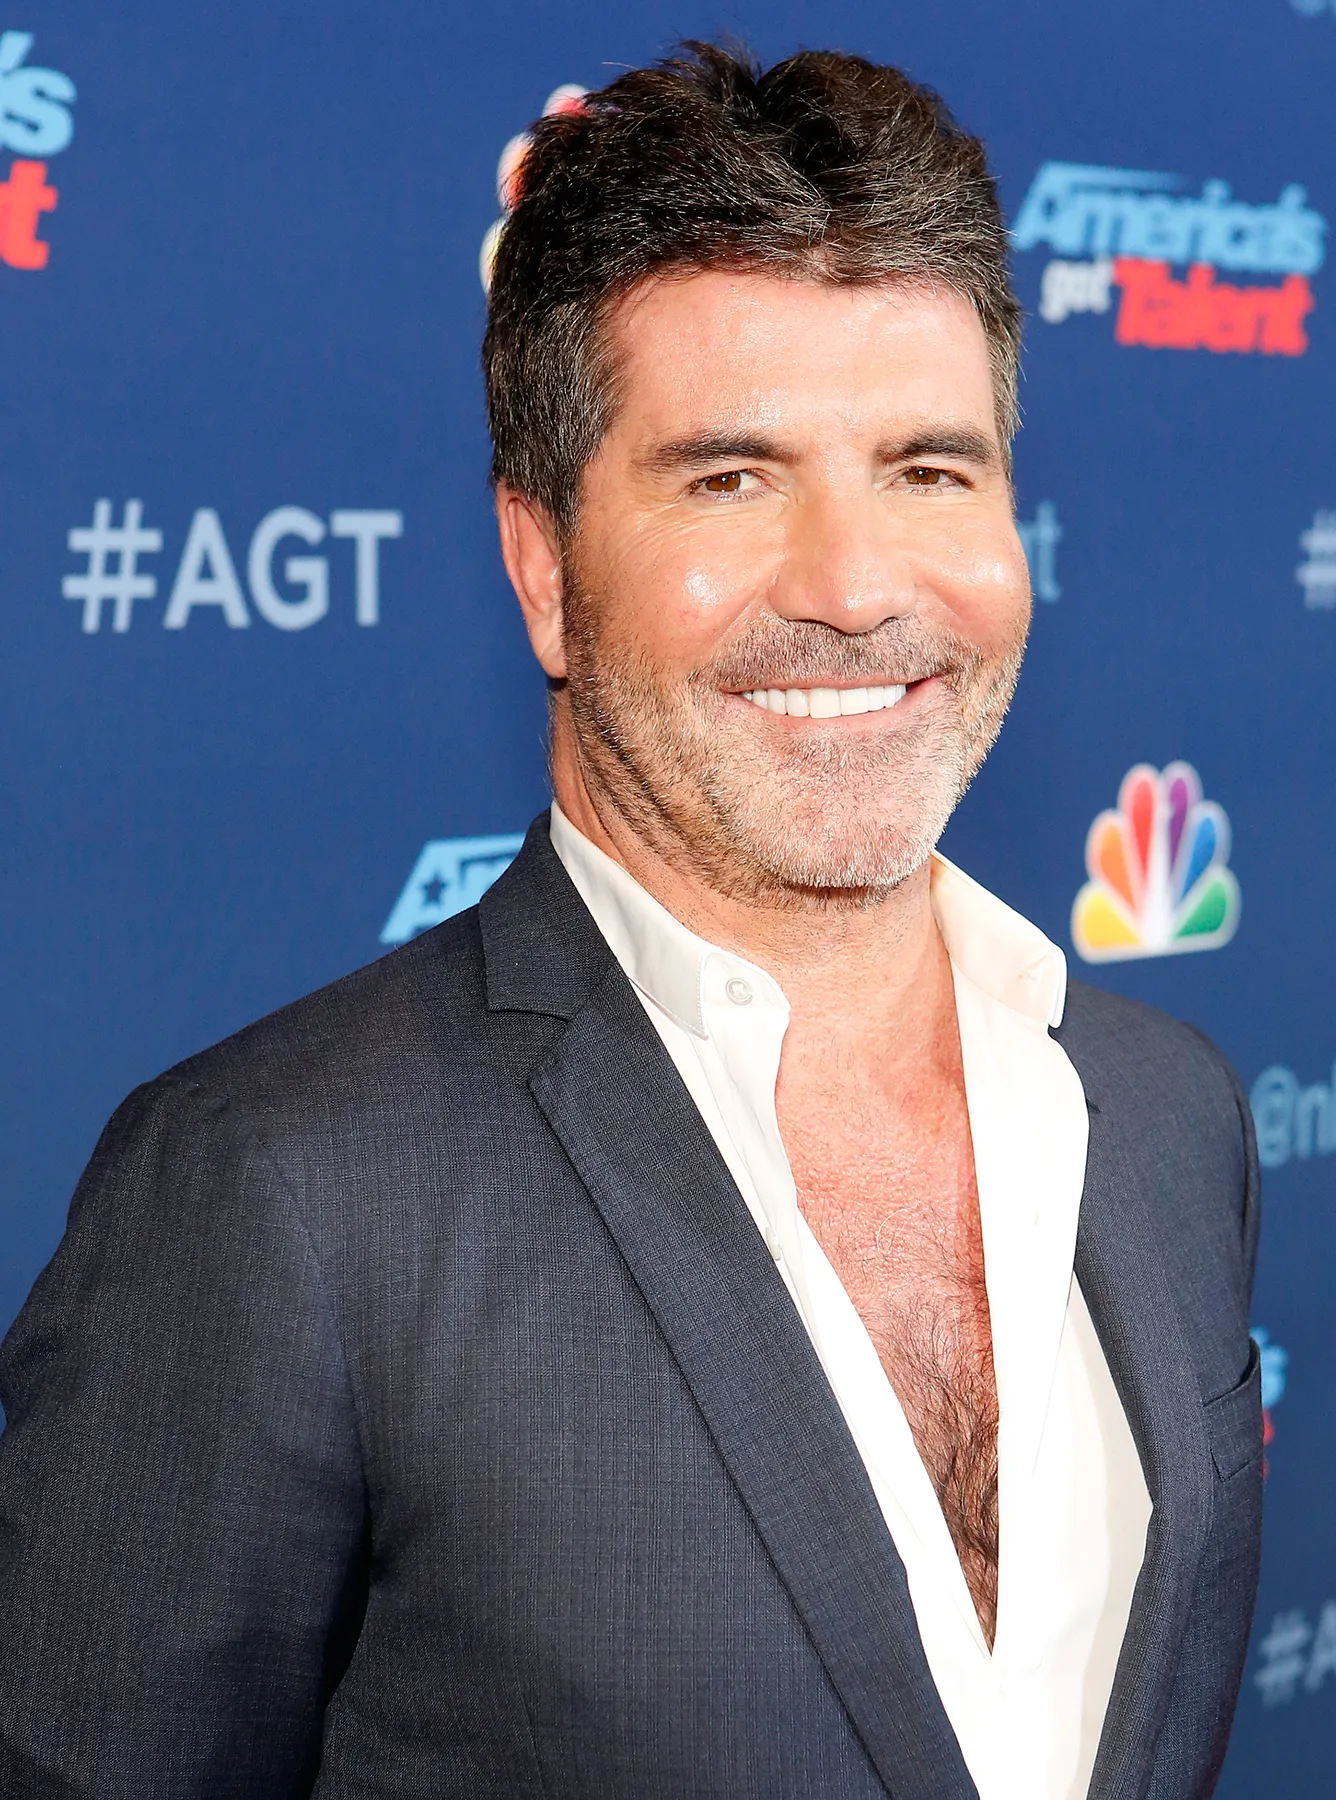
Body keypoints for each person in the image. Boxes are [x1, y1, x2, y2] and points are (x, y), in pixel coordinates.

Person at [0, 43, 1262, 1800]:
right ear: (544, 570)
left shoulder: (1168, 1113)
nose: (856, 587)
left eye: (929, 469)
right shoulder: (274, 1196)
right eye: (731, 478)